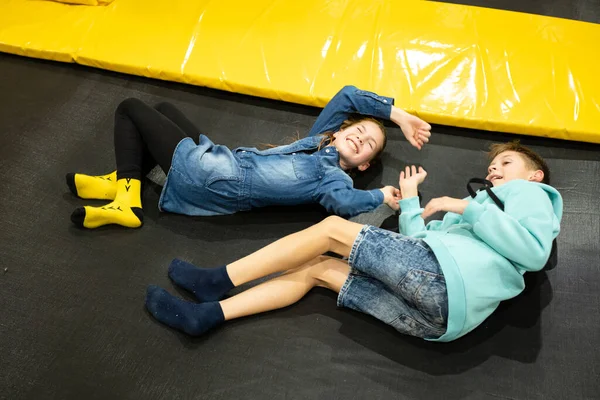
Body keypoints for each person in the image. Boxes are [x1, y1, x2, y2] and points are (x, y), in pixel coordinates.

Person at [144, 141, 563, 342]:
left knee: (331, 230)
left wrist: (462, 205)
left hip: (445, 281)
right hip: (442, 317)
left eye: (504, 164)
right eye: (491, 167)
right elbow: (416, 247)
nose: (493, 172)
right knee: (318, 270)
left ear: (534, 174)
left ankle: (218, 279)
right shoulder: (479, 218)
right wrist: (415, 202)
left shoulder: (531, 195)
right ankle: (209, 315)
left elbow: (534, 252)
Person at [65, 86, 432, 229]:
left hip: (211, 175)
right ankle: (123, 177)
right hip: (221, 161)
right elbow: (348, 96)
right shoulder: (317, 143)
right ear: (337, 131)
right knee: (161, 108)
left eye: (367, 144)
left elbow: (343, 202)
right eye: (358, 129)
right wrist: (396, 116)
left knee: (130, 107)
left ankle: (126, 198)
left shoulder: (332, 175)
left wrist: (381, 195)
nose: (359, 137)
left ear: (363, 164)